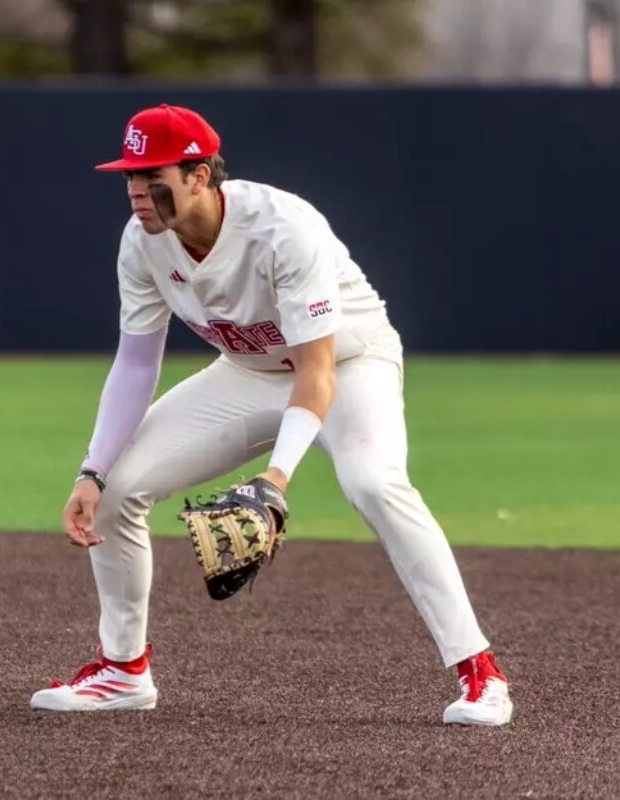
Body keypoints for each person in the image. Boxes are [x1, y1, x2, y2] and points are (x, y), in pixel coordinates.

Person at [29, 104, 513, 726]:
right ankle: (123, 671)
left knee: (373, 482)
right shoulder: (142, 245)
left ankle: (481, 675)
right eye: (127, 176)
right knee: (118, 490)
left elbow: (317, 372)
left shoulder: (284, 228)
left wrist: (275, 482)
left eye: (152, 175)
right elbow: (134, 366)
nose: (135, 192)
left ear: (200, 176)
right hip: (248, 371)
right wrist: (92, 471)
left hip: (349, 361)